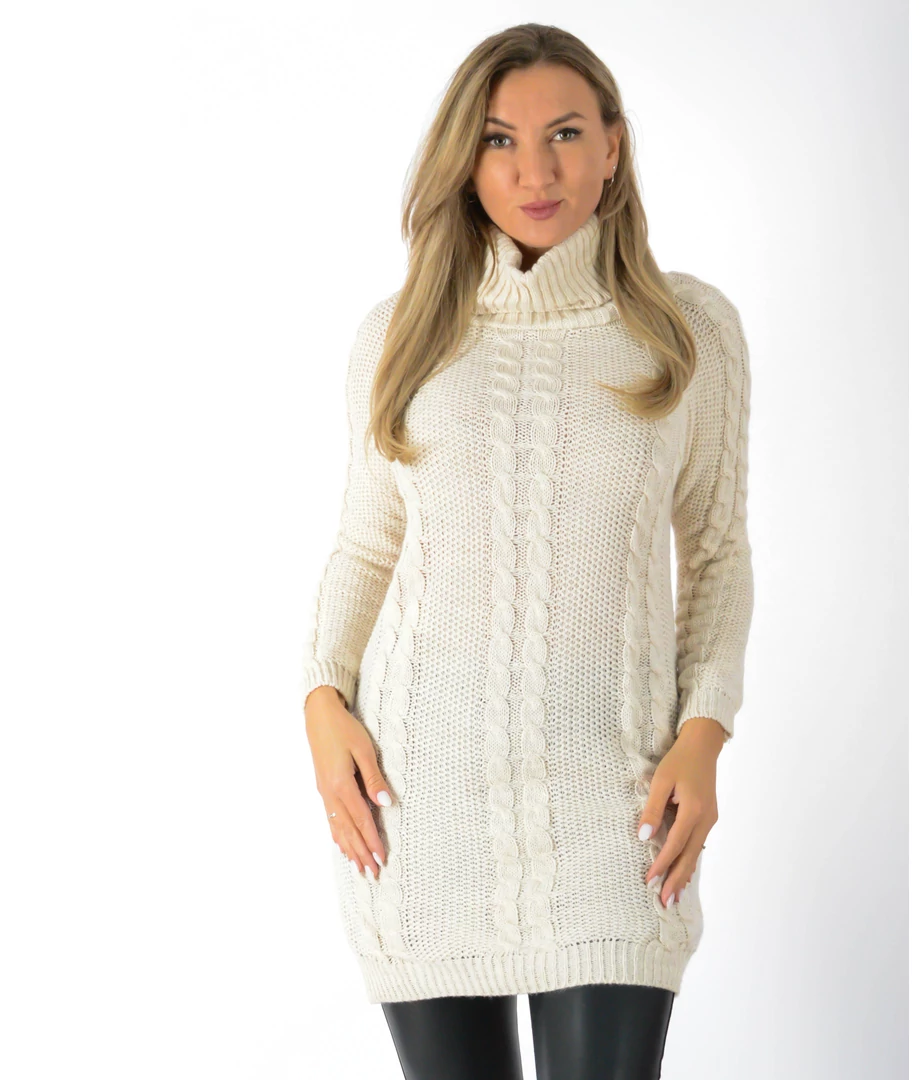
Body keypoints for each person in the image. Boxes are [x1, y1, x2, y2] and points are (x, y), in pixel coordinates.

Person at [301, 22, 754, 1080]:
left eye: (565, 134)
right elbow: (365, 546)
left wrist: (705, 734)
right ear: (465, 160)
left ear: (614, 146)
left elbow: (718, 556)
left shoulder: (688, 330)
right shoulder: (400, 335)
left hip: (618, 806)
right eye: (500, 140)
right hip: (419, 809)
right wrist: (321, 700)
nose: (535, 172)